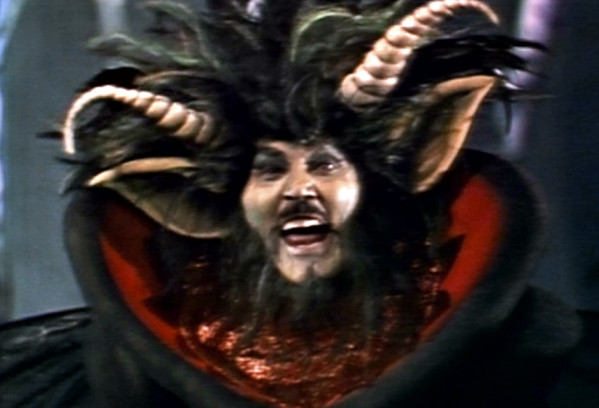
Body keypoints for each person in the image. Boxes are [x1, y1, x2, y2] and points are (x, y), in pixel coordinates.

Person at [0, 1, 581, 407]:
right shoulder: (141, 362)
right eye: (270, 170)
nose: (299, 189)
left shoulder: (511, 347)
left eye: (324, 165)